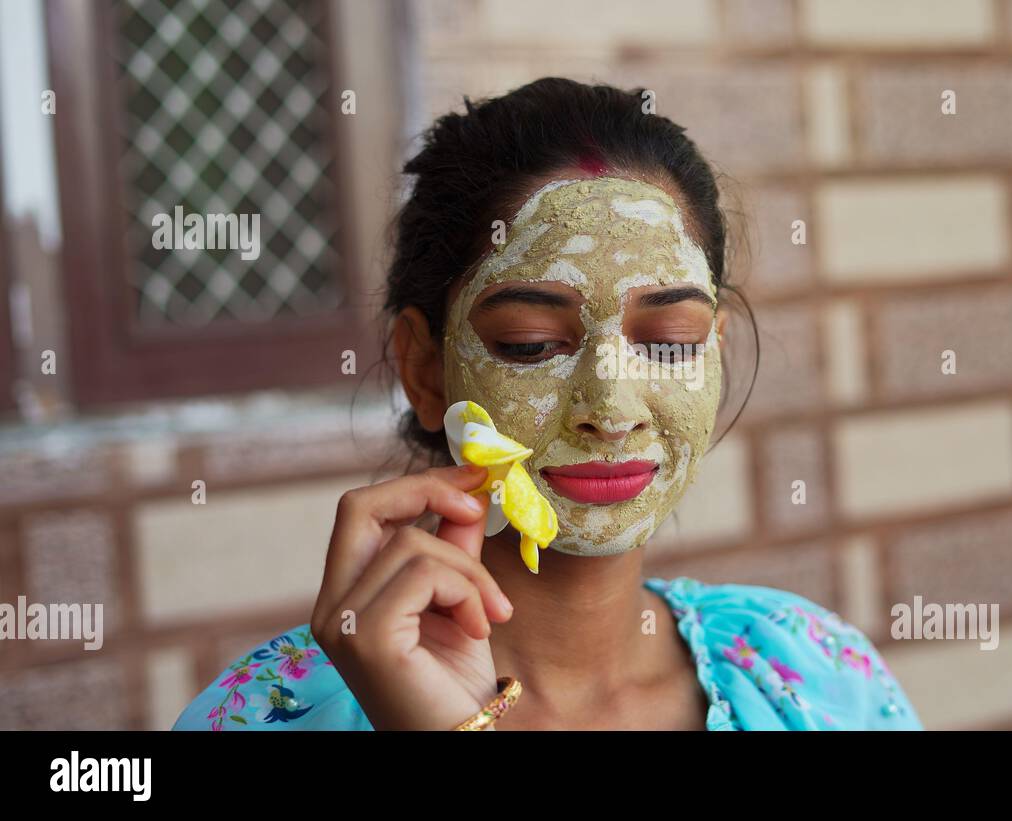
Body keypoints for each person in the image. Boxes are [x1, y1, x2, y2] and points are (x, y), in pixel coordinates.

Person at [172, 77, 922, 731]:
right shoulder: (262, 713)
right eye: (530, 343)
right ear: (425, 369)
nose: (611, 408)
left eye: (670, 339)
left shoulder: (820, 676)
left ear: (716, 350)